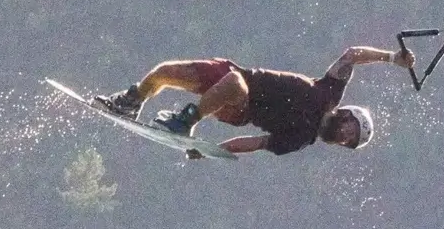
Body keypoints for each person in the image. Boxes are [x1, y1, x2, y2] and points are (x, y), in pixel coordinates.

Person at [93, 44, 414, 155]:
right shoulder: (330, 92)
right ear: (346, 115)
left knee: (234, 83)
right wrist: (392, 58)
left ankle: (184, 123)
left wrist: (214, 151)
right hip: (234, 75)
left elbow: (258, 143)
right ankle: (131, 101)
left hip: (238, 105)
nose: (345, 138)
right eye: (350, 131)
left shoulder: (300, 140)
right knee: (165, 71)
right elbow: (351, 56)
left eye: (349, 142)